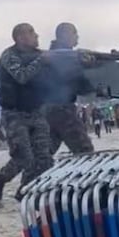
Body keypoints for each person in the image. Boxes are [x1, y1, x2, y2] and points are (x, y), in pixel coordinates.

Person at [0, 23, 54, 208]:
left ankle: (25, 191)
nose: (37, 36)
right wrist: (42, 60)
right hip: (14, 114)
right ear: (21, 37)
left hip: (36, 111)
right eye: (32, 33)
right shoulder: (9, 56)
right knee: (23, 157)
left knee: (44, 158)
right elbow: (22, 76)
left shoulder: (37, 55)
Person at [42, 23, 97, 156]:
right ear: (64, 35)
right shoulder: (66, 57)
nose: (77, 37)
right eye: (74, 33)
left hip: (48, 110)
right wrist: (94, 89)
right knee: (85, 151)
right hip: (63, 110)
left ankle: (28, 176)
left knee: (45, 153)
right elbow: (76, 81)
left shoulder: (52, 54)